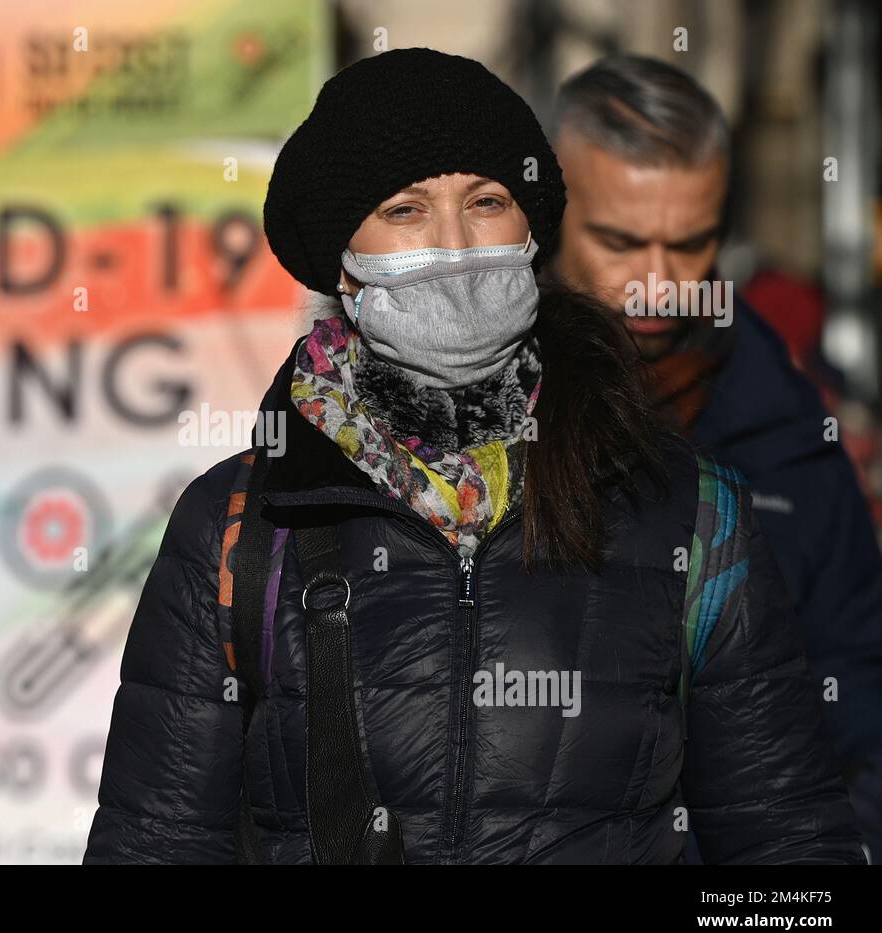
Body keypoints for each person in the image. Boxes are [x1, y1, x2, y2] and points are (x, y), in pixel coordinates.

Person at [82, 48, 865, 864]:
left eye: (487, 202)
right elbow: (155, 844)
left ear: (532, 231)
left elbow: (791, 858)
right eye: (405, 210)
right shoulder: (241, 528)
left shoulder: (691, 511)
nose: (455, 245)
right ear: (341, 263)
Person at [549, 54, 882, 862]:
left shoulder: (791, 432)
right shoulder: (469, 420)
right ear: (547, 213)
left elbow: (863, 707)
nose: (660, 285)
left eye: (691, 242)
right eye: (620, 242)